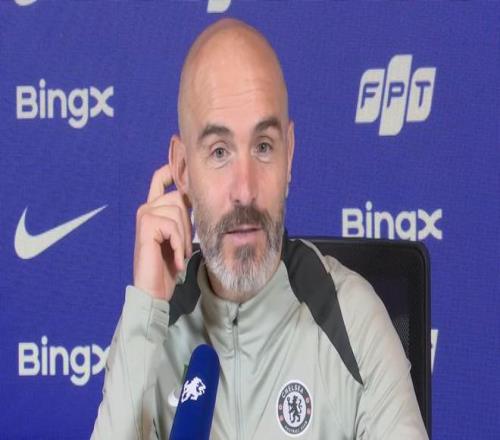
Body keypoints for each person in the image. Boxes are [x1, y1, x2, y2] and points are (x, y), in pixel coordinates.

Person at [91, 18, 428, 439]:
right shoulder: (151, 332)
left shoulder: (354, 319)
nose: (245, 190)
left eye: (264, 147)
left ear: (289, 157)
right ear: (183, 170)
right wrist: (146, 311)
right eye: (219, 152)